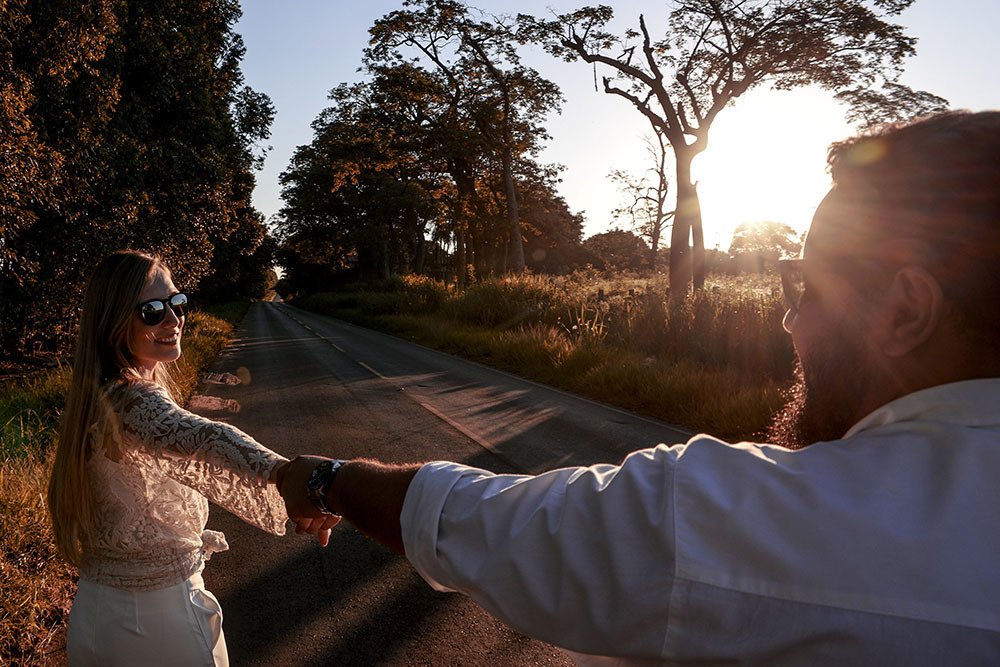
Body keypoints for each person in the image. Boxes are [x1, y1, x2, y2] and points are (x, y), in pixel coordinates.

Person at [278, 109, 1000, 665]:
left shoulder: (744, 514)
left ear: (906, 309)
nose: (790, 317)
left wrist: (329, 480)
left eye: (806, 285)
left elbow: (484, 523)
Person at [46, 251, 329, 666]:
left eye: (177, 303)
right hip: (157, 624)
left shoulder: (99, 396)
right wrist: (292, 477)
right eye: (152, 310)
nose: (173, 319)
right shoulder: (135, 401)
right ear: (113, 321)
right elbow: (207, 439)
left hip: (95, 616)